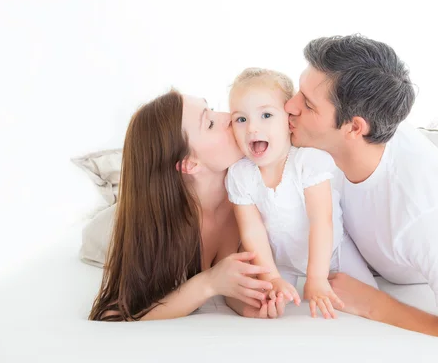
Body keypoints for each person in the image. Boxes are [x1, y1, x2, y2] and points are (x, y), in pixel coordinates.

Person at [284, 35, 438, 344]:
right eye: (298, 92)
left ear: (354, 128)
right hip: (398, 156)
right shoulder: (322, 140)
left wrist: (374, 303)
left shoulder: (427, 217)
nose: (289, 105)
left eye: (308, 104)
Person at [89, 89, 288, 321]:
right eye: (211, 123)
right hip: (103, 232)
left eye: (213, 108)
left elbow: (231, 277)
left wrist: (248, 305)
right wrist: (209, 283)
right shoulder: (158, 228)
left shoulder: (248, 192)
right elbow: (112, 314)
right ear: (189, 165)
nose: (228, 116)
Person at [225, 68, 377, 319]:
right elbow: (252, 230)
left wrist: (316, 278)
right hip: (281, 260)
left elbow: (321, 221)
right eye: (240, 119)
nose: (252, 128)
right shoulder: (240, 174)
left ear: (288, 120)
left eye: (265, 115)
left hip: (332, 252)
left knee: (366, 298)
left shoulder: (307, 161)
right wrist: (271, 276)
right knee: (268, 303)